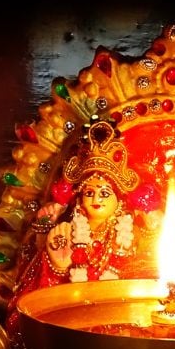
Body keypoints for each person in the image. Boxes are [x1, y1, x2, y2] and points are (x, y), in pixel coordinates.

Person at [27, 120, 141, 288]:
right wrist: (59, 267)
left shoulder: (129, 235)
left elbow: (143, 279)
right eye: (89, 193)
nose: (96, 199)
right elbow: (41, 287)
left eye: (104, 193)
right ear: (79, 199)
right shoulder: (68, 233)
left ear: (119, 200)